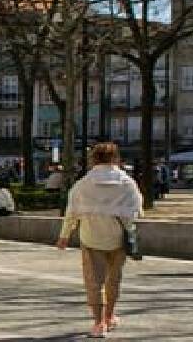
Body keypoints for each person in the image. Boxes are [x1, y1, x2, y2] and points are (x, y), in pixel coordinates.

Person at [56, 143, 142, 339]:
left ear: (94, 159)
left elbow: (71, 212)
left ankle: (98, 323)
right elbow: (135, 210)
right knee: (113, 279)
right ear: (116, 159)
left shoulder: (83, 184)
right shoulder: (127, 183)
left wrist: (64, 235)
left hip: (91, 236)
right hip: (118, 237)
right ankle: (110, 315)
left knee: (93, 281)